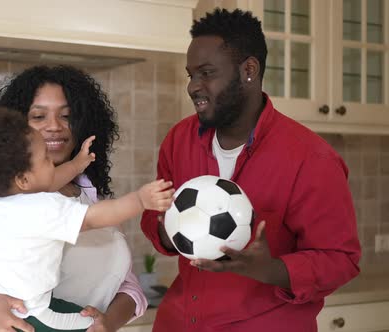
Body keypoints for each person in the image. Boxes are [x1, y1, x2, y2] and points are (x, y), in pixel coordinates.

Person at [140, 8, 361, 332]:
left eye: (206, 73)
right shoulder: (179, 139)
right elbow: (153, 218)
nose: (193, 86)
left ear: (249, 70)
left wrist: (270, 269)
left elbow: (341, 260)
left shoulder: (312, 159)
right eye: (191, 75)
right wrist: (169, 226)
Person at [0, 65, 150, 332]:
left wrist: (107, 323)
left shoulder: (92, 194)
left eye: (67, 116)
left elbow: (127, 285)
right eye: (38, 116)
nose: (54, 127)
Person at [0, 108, 173, 332]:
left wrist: (76, 165)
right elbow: (94, 218)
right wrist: (140, 200)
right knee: (90, 324)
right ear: (24, 178)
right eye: (45, 158)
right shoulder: (42, 208)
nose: (51, 163)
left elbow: (48, 181)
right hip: (25, 314)